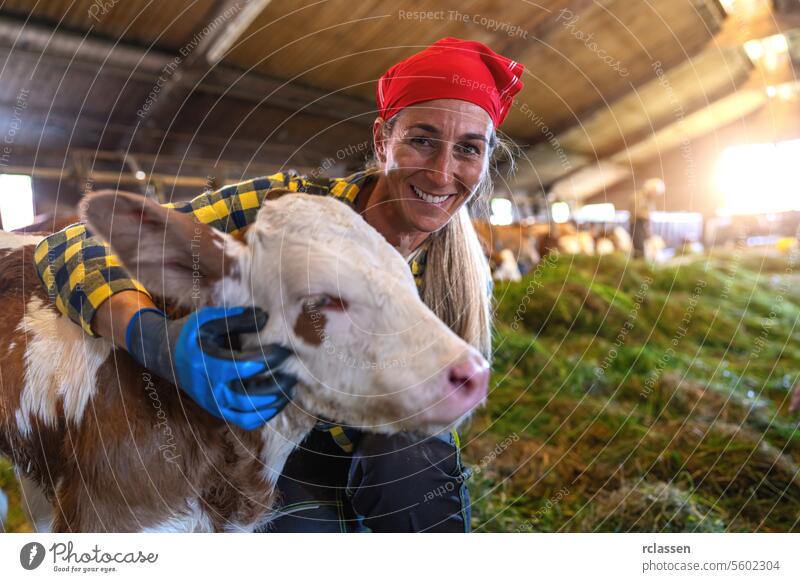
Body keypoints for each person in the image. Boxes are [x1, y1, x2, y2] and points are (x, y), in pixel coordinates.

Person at [33, 37, 523, 532]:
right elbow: (71, 247)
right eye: (421, 139)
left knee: (413, 474)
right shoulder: (288, 215)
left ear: (485, 161)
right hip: (276, 438)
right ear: (382, 141)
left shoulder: (456, 268)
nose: (442, 172)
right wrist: (150, 336)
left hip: (383, 441)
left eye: (467, 149)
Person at [628, 177, 665, 258]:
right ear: (650, 188)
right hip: (636, 225)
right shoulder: (638, 197)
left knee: (646, 248)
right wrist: (647, 215)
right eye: (655, 192)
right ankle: (638, 266)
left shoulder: (650, 199)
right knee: (639, 249)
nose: (655, 194)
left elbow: (651, 213)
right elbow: (636, 212)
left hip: (645, 226)